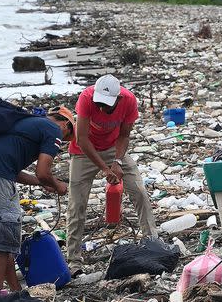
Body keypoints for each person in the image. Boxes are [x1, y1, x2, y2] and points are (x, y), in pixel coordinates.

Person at [0, 107, 75, 289]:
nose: (62, 142)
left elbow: (16, 171)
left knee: (6, 239)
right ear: (66, 124)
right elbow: (43, 172)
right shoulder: (53, 129)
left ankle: (16, 292)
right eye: (66, 138)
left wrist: (43, 183)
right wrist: (58, 186)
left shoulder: (26, 122)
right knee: (0, 243)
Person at [66, 74, 157, 274]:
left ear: (118, 98)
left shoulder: (129, 100)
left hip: (112, 149)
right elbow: (81, 139)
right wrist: (105, 169)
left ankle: (152, 242)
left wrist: (116, 161)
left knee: (139, 190)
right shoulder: (86, 98)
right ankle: (74, 261)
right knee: (77, 204)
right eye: (99, 103)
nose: (101, 108)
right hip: (83, 152)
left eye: (106, 105)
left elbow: (124, 135)